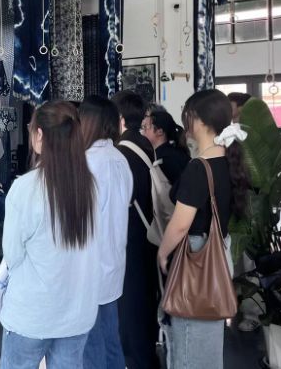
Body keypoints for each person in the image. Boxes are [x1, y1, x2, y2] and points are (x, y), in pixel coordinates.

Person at [0, 100, 100, 368]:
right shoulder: (89, 186)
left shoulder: (25, 188)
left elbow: (12, 255)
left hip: (32, 313)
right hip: (76, 313)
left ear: (40, 135)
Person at [158, 89, 249, 369]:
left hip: (196, 258)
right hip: (218, 252)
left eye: (187, 116)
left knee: (189, 345)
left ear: (198, 120)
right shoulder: (227, 161)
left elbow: (180, 224)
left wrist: (162, 252)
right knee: (207, 344)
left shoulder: (199, 167)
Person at [79, 96, 133, 369]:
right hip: (113, 264)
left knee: (91, 346)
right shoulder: (120, 159)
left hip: (89, 267)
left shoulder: (86, 162)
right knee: (110, 339)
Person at [111, 90, 160, 369]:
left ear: (118, 117)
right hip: (150, 231)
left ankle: (138, 360)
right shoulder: (146, 144)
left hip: (130, 235)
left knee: (130, 306)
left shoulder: (120, 153)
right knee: (145, 299)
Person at [141, 106, 191, 185]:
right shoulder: (174, 152)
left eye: (145, 127)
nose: (142, 132)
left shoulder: (165, 161)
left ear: (160, 131)